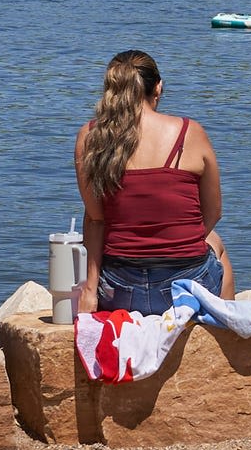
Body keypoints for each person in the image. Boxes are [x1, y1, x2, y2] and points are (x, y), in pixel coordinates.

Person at [72, 50, 232, 315]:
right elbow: (214, 212)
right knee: (216, 244)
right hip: (183, 289)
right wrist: (175, 247)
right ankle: (225, 336)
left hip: (121, 290)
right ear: (158, 87)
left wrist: (91, 289)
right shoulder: (189, 132)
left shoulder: (90, 137)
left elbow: (96, 219)